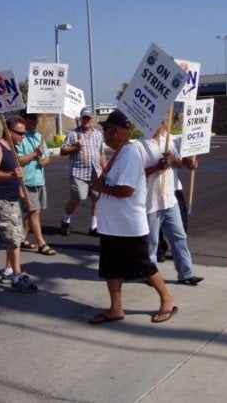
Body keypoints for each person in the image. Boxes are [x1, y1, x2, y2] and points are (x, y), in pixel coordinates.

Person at [89, 110, 178, 324]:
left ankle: (168, 299)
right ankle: (116, 309)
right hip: (112, 225)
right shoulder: (119, 153)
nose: (105, 134)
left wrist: (101, 186)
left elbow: (126, 191)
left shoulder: (129, 154)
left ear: (118, 131)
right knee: (110, 268)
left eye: (107, 129)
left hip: (129, 225)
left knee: (143, 266)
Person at [135, 121, 203, 286]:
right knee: (152, 243)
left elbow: (180, 164)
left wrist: (173, 160)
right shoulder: (139, 145)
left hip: (169, 199)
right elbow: (136, 174)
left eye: (163, 120)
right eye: (157, 119)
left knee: (179, 237)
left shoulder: (170, 140)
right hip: (150, 202)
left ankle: (186, 273)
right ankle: (151, 275)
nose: (161, 123)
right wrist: (157, 167)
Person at [0, 116, 38, 292]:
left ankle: (8, 272)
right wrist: (11, 176)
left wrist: (24, 197)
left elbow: (17, 180)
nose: (23, 136)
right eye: (20, 133)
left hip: (12, 198)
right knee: (15, 238)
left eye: (24, 133)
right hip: (0, 199)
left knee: (12, 237)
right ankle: (17, 276)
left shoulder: (13, 149)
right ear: (9, 131)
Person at [59, 106, 107, 236]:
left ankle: (94, 227)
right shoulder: (73, 134)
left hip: (95, 172)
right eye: (84, 117)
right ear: (80, 118)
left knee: (96, 199)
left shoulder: (98, 134)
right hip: (78, 172)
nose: (86, 120)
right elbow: (62, 151)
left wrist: (106, 170)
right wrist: (76, 146)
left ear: (93, 119)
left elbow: (101, 153)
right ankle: (65, 220)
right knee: (78, 197)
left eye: (88, 117)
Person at [17, 112, 56, 256]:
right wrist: (34, 154)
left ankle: (20, 238)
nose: (35, 121)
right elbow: (18, 160)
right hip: (26, 181)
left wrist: (43, 160)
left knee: (32, 212)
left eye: (36, 118)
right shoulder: (21, 138)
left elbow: (47, 158)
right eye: (32, 118)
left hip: (39, 180)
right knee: (35, 212)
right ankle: (41, 243)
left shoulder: (40, 137)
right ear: (25, 120)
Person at [157, 135, 199, 263]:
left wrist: (190, 163)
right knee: (156, 225)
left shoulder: (173, 139)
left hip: (173, 187)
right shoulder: (145, 140)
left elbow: (182, 161)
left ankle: (180, 253)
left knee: (180, 224)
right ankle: (159, 249)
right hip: (155, 189)